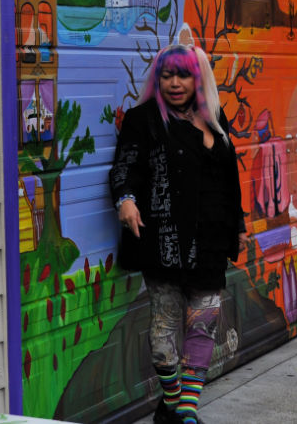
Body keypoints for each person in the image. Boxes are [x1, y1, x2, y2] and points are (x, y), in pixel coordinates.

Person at [109, 43, 249, 424]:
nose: (174, 83)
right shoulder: (144, 120)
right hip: (164, 243)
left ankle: (184, 415)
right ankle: (175, 403)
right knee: (164, 332)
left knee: (203, 325)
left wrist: (237, 227)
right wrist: (126, 199)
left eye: (183, 75)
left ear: (197, 78)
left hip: (209, 243)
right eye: (167, 75)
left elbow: (229, 181)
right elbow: (125, 167)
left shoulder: (214, 119)